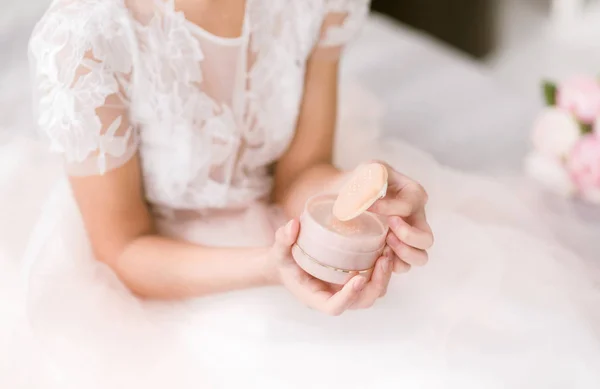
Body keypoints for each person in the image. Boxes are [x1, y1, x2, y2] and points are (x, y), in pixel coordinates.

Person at [1, 0, 599, 388]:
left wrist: (363, 197)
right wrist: (270, 267)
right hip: (162, 266)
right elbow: (123, 249)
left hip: (275, 227)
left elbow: (302, 172)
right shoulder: (85, 38)